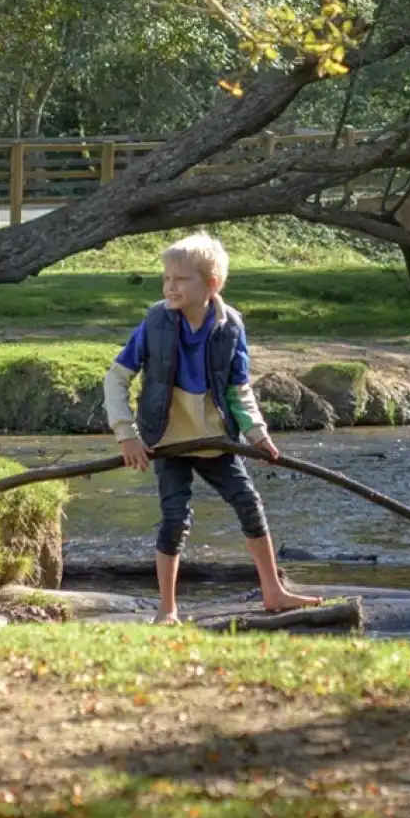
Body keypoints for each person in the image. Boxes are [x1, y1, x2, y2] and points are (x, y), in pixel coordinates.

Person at [101, 233, 322, 624]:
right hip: (166, 440)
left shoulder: (231, 326)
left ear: (211, 285)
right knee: (175, 519)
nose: (170, 286)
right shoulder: (155, 322)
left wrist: (258, 435)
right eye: (166, 278)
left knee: (249, 504)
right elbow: (116, 378)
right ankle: (167, 609)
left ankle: (273, 591)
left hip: (216, 441)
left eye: (181, 279)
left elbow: (239, 390)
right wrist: (127, 433)